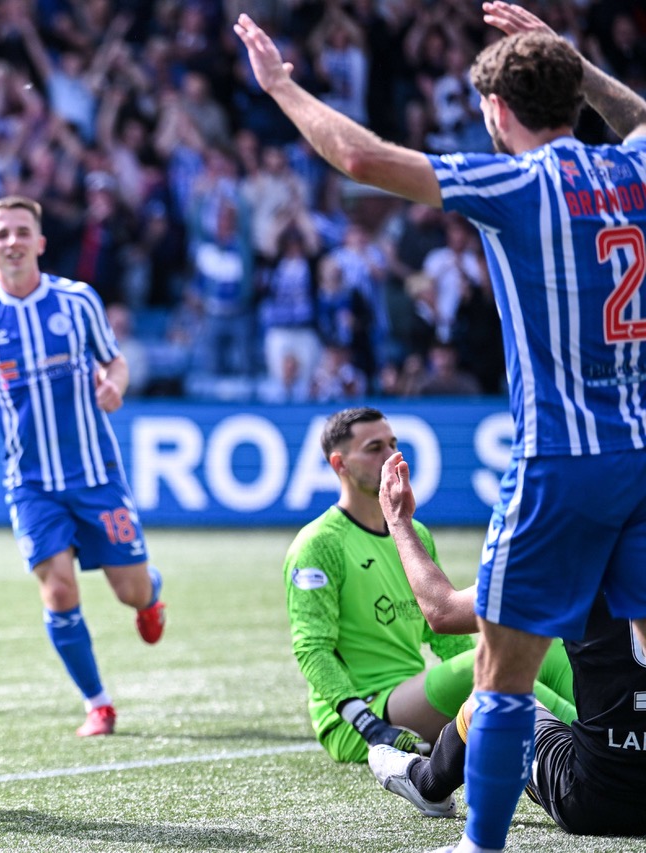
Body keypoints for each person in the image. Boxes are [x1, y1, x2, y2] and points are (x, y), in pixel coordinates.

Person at [235, 4, 646, 850]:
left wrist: (280, 85)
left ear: (497, 113)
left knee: (502, 675)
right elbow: (640, 117)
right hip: (641, 451)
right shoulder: (631, 168)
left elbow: (360, 157)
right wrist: (573, 62)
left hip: (560, 460)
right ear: (576, 94)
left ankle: (479, 843)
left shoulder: (518, 182)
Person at [0, 195, 166, 738]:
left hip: (97, 474)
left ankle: (150, 592)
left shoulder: (78, 302)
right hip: (30, 482)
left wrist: (114, 386)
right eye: (1, 234)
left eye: (21, 231)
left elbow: (115, 360)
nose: (12, 241)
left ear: (40, 242)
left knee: (129, 590)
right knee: (58, 589)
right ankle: (97, 703)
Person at [370, 452, 646, 837]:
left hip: (593, 797)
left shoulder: (571, 557)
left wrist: (398, 521)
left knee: (499, 694)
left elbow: (442, 610)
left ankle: (429, 782)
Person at [282, 407, 571, 765]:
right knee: (486, 666)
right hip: (361, 719)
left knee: (546, 647)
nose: (391, 456)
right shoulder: (318, 544)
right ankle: (593, 747)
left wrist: (469, 689)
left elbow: (444, 636)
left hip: (413, 698)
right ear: (339, 464)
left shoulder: (414, 533)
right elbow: (313, 650)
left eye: (393, 444)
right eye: (374, 448)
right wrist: (368, 725)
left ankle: (613, 731)